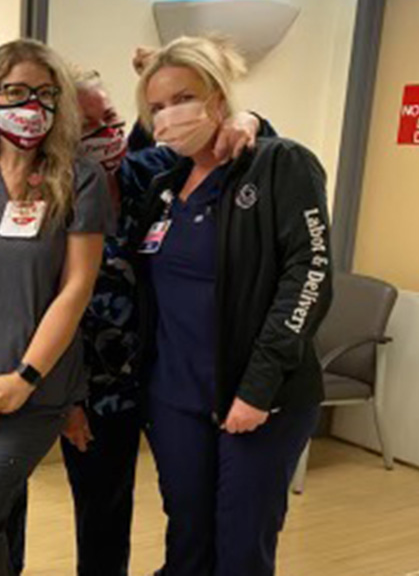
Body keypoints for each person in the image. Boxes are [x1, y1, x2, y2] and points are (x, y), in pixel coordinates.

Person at [129, 36, 332, 576]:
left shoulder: (278, 164)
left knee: (242, 546)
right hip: (175, 395)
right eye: (157, 107)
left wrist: (258, 387)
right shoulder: (164, 185)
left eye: (184, 98)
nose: (170, 115)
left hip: (257, 396)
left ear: (219, 97)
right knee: (187, 536)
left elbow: (308, 275)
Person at [60, 69, 273, 576]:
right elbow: (44, 308)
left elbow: (253, 148)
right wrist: (65, 399)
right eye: (88, 126)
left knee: (189, 505)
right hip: (95, 391)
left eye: (110, 117)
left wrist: (250, 117)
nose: (106, 132)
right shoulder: (56, 205)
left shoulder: (153, 172)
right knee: (102, 517)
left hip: (166, 377)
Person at [0, 39, 115, 576]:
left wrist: (24, 379)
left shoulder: (79, 179)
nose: (30, 105)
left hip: (31, 391)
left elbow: (75, 290)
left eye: (43, 93)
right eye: (14, 92)